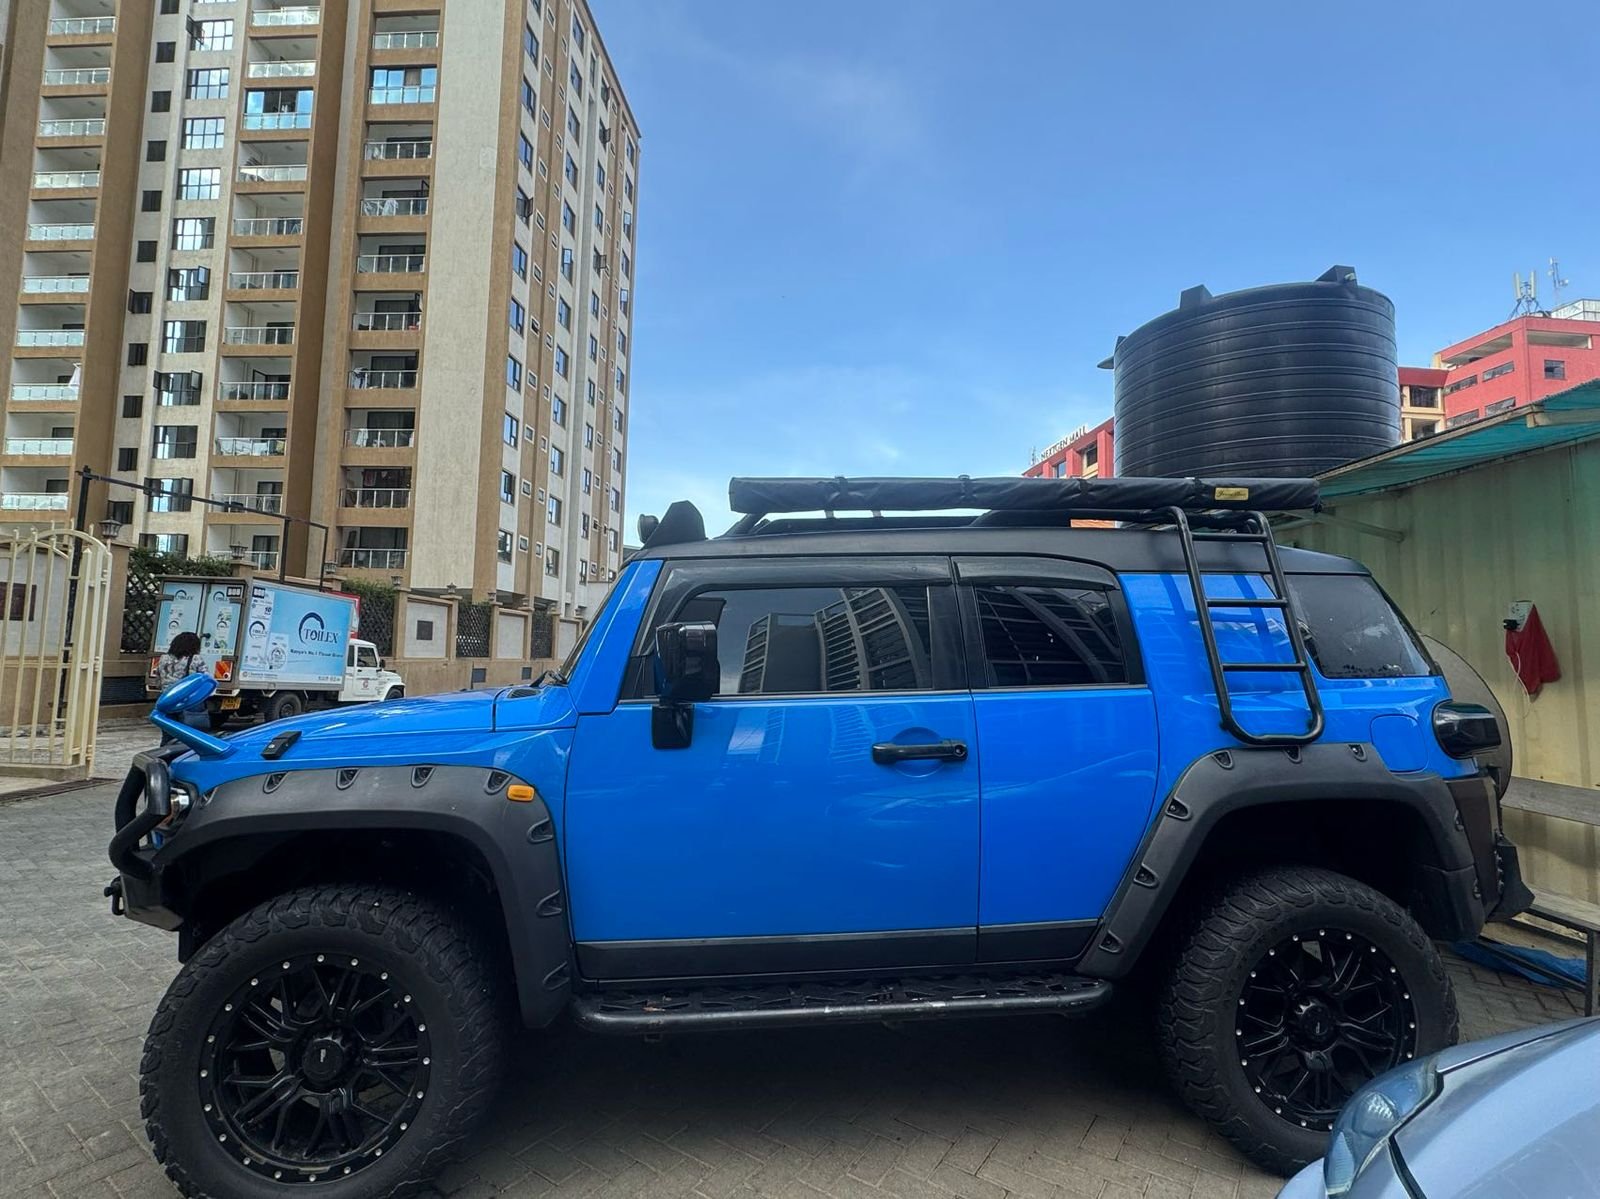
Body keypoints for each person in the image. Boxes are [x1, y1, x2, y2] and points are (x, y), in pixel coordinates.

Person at [155, 632, 209, 743]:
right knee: (189, 736)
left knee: (168, 735)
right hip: (187, 701)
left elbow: (158, 680)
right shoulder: (196, 659)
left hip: (167, 700)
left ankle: (166, 755)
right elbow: (206, 679)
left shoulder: (163, 658)